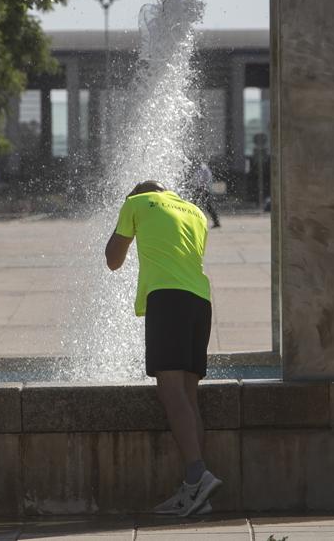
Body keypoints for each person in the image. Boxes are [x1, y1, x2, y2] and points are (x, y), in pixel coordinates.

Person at [104, 180, 221, 517]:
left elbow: (113, 260)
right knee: (188, 395)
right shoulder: (196, 213)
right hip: (200, 301)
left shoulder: (136, 203)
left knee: (170, 392)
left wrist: (125, 221)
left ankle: (198, 473)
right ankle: (196, 493)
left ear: (137, 193)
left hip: (167, 300)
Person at [191, 162, 221, 228]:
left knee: (208, 206)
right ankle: (193, 221)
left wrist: (204, 187)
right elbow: (195, 179)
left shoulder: (204, 168)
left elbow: (208, 178)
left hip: (204, 189)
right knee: (194, 205)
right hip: (198, 189)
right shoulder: (196, 168)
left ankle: (216, 221)